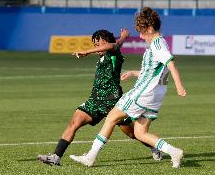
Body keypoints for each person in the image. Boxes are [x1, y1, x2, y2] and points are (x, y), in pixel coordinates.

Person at [70, 7, 186, 168]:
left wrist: (179, 86)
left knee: (111, 117)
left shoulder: (158, 45)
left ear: (150, 29)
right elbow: (153, 73)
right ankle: (173, 151)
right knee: (140, 133)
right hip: (155, 96)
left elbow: (171, 64)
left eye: (142, 32)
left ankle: (90, 157)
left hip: (143, 93)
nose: (140, 36)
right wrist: (133, 72)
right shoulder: (161, 43)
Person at [37, 28, 162, 166]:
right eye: (95, 45)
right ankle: (56, 157)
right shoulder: (104, 55)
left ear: (107, 43)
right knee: (74, 123)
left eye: (99, 45)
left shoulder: (114, 55)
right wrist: (123, 37)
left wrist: (86, 51)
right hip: (95, 100)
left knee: (133, 134)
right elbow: (116, 43)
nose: (97, 48)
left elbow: (114, 45)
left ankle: (153, 146)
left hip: (113, 101)